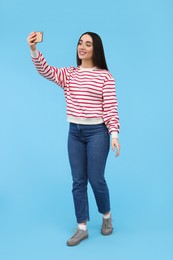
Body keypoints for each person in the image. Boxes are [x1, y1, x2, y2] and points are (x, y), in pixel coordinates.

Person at [27, 31, 120, 246]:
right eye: (80, 43)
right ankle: (82, 228)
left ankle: (106, 217)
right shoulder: (69, 74)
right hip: (75, 133)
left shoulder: (105, 76)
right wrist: (33, 49)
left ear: (96, 48)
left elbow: (111, 108)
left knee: (96, 179)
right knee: (78, 181)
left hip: (98, 133)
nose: (82, 47)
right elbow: (46, 71)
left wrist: (113, 134)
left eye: (88, 44)